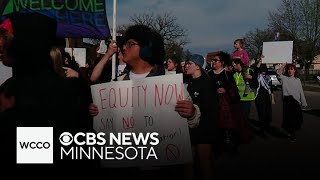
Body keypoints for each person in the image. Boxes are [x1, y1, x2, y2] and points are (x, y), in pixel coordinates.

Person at [88, 24, 201, 178]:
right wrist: (98, 112)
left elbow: (193, 122)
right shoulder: (117, 83)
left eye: (130, 44)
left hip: (162, 166)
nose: (123, 48)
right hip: (126, 165)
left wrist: (192, 112)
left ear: (146, 48)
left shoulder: (169, 83)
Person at [1, 12, 95, 167]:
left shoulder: (50, 91)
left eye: (6, 39)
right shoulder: (10, 86)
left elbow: (35, 155)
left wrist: (10, 116)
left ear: (26, 42)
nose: (2, 47)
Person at [184, 54, 218, 180]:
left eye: (189, 64)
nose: (186, 66)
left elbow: (209, 108)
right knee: (188, 163)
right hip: (190, 128)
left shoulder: (207, 83)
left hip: (204, 128)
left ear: (197, 67)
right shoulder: (188, 82)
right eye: (186, 63)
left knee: (204, 162)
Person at [276, 63, 307, 142]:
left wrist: (304, 102)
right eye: (289, 69)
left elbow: (301, 92)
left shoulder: (298, 80)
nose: (290, 71)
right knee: (288, 119)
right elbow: (278, 73)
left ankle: (292, 133)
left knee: (296, 119)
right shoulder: (284, 79)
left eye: (292, 69)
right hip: (287, 103)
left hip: (296, 103)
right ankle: (291, 133)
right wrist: (283, 65)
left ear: (295, 71)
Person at [254, 60, 275, 137]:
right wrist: (260, 61)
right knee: (262, 114)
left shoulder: (268, 78)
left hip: (267, 97)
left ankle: (267, 127)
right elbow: (256, 70)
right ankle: (262, 130)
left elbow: (271, 88)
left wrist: (272, 99)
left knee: (268, 113)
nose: (263, 71)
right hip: (259, 97)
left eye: (264, 70)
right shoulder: (257, 77)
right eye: (262, 70)